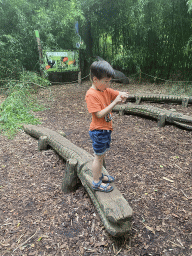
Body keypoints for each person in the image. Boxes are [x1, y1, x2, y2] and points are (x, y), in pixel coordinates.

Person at [85, 60, 129, 192]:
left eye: (109, 81)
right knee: (98, 157)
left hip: (105, 131)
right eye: (106, 81)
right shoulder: (91, 94)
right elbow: (99, 114)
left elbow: (116, 93)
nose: (108, 84)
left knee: (101, 155)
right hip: (98, 131)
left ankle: (99, 175)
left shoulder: (104, 89)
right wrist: (115, 102)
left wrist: (122, 95)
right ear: (95, 79)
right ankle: (96, 182)